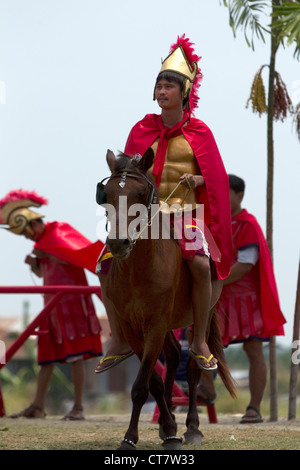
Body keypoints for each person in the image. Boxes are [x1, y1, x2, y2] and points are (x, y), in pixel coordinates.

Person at [95, 35, 232, 374]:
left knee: (201, 266)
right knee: (104, 262)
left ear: (184, 92)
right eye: (159, 85)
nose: (162, 91)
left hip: (185, 214)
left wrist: (199, 181)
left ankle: (199, 340)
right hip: (146, 216)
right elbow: (126, 172)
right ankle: (120, 338)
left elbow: (217, 181)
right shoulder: (141, 129)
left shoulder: (200, 133)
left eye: (169, 85)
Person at [0, 189, 104, 419]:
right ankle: (37, 406)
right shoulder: (43, 244)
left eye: (28, 233)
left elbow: (74, 255)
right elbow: (45, 271)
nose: (29, 238)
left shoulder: (59, 232)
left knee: (77, 355)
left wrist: (47, 251)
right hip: (51, 308)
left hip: (73, 305)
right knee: (46, 359)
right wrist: (35, 263)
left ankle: (78, 408)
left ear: (34, 224)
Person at [215, 174, 287, 423]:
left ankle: (254, 408)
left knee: (253, 350)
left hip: (246, 300)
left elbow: (245, 264)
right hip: (219, 299)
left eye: (226, 193)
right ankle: (205, 391)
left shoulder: (247, 225)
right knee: (202, 345)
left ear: (239, 195)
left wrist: (213, 283)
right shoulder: (214, 223)